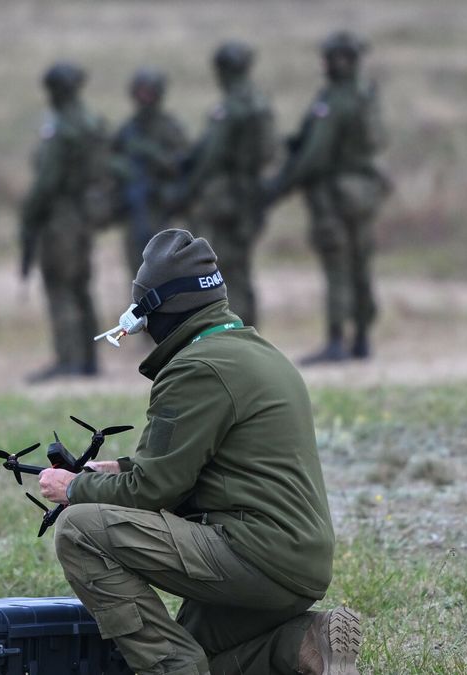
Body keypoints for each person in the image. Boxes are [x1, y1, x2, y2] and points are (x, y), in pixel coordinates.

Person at [39, 229, 360, 675]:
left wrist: (75, 488)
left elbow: (152, 489)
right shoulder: (256, 354)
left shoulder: (196, 368)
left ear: (154, 308)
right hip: (298, 562)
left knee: (79, 529)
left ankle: (171, 670)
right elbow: (201, 464)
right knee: (206, 656)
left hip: (254, 554)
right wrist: (116, 468)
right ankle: (304, 643)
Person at [265, 32, 390, 363]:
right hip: (363, 193)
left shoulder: (335, 101)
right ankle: (362, 338)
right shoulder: (365, 94)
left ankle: (336, 340)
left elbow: (314, 156)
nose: (324, 64)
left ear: (342, 59)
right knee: (361, 264)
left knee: (337, 266)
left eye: (330, 58)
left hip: (334, 196)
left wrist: (280, 185)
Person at [168, 41, 276, 328]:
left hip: (228, 197)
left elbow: (212, 156)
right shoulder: (259, 101)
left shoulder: (231, 107)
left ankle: (236, 334)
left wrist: (187, 190)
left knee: (225, 267)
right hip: (251, 191)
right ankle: (250, 332)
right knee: (241, 265)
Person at [19, 61, 109, 383]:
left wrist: (29, 214)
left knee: (60, 285)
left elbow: (47, 180)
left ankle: (68, 359)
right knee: (82, 285)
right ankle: (90, 359)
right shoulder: (90, 122)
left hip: (61, 216)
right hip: (85, 212)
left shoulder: (61, 127)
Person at [111, 67, 190, 284]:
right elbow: (109, 159)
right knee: (137, 276)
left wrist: (152, 153)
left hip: (160, 211)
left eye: (149, 93)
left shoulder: (170, 128)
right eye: (140, 92)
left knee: (163, 275)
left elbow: (182, 166)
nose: (143, 98)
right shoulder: (128, 129)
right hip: (135, 212)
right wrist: (121, 168)